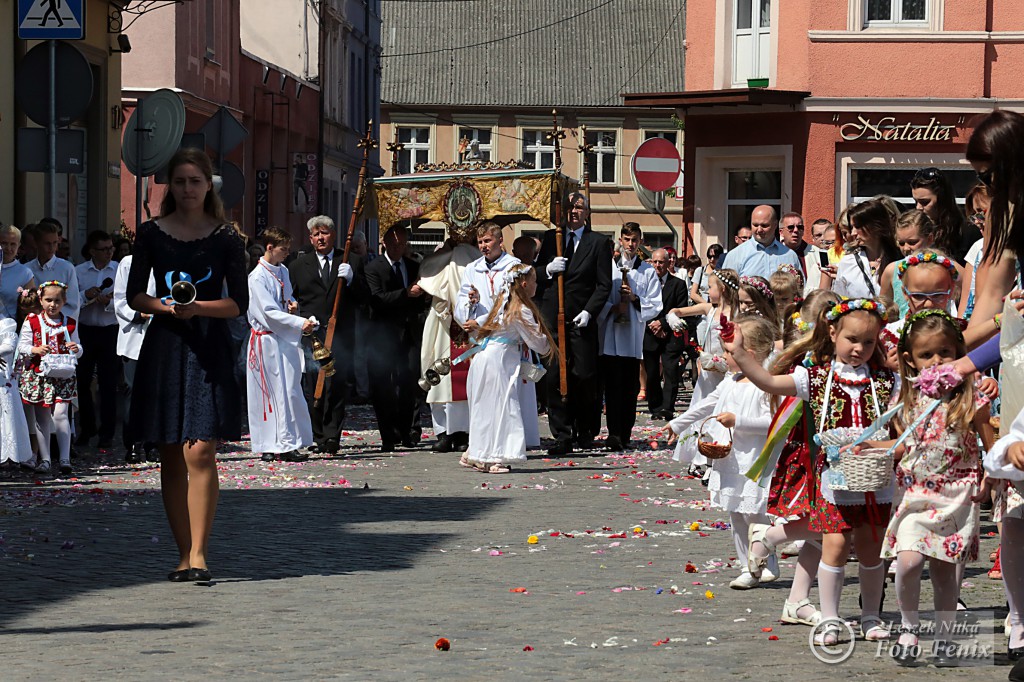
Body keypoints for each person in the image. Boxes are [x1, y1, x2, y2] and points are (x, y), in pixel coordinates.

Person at [725, 298, 895, 645]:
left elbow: (899, 421)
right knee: (834, 544)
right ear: (832, 333)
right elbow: (770, 382)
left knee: (871, 548)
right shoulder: (815, 377)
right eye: (851, 339)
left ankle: (871, 616)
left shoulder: (884, 380)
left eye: (868, 342)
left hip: (874, 479)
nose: (859, 349)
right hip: (834, 480)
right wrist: (740, 354)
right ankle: (830, 618)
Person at [126, 148, 248, 583]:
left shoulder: (227, 237)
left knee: (201, 449)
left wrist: (199, 309)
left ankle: (200, 553)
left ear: (208, 184)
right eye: (180, 181)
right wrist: (164, 307)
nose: (187, 189)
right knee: (170, 454)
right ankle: (182, 554)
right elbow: (134, 295)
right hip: (166, 346)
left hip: (209, 345)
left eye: (195, 181)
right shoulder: (151, 234)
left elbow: (238, 304)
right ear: (169, 186)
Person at [871, 311, 994, 666]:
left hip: (956, 494)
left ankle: (945, 636)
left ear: (960, 353)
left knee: (944, 572)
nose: (937, 361)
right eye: (927, 355)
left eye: (945, 352)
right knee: (907, 562)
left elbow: (989, 443)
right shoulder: (906, 398)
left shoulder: (972, 398)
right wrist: (867, 449)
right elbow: (904, 446)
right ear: (910, 358)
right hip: (916, 493)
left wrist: (990, 479)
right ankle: (909, 628)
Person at [666, 315, 781, 589]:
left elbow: (773, 422)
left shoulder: (765, 384)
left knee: (755, 512)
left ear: (748, 353)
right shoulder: (731, 380)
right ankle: (747, 566)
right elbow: (707, 404)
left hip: (755, 459)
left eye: (728, 352)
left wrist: (738, 421)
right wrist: (678, 423)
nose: (724, 357)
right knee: (735, 512)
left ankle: (765, 556)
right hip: (729, 458)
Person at [534, 192, 612, 455]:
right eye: (569, 207)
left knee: (583, 376)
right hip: (553, 318)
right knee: (555, 377)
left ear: (587, 213)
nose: (574, 212)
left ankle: (586, 429)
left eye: (579, 207)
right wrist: (547, 268)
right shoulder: (551, 239)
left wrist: (590, 311)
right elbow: (535, 277)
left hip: (581, 319)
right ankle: (562, 434)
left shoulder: (598, 242)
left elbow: (603, 285)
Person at [460, 264, 554, 473]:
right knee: (503, 406)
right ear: (524, 284)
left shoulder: (502, 303)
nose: (536, 285)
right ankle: (497, 457)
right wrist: (549, 345)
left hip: (484, 358)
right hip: (499, 361)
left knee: (484, 407)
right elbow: (536, 342)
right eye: (534, 281)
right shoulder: (521, 309)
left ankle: (477, 452)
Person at [287, 215, 357, 456]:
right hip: (312, 334)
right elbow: (291, 297)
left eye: (325, 232)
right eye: (316, 234)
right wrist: (299, 315)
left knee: (335, 385)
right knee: (313, 385)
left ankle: (332, 437)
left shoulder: (348, 260)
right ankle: (317, 434)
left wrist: (352, 279)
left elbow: (366, 297)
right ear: (310, 238)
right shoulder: (298, 265)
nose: (320, 237)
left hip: (340, 333)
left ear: (333, 234)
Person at [247, 227, 317, 463]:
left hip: (284, 338)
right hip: (266, 340)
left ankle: (290, 441)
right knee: (267, 394)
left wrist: (293, 306)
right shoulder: (256, 277)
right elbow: (267, 311)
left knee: (289, 390)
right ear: (270, 247)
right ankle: (268, 444)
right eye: (283, 249)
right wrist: (299, 322)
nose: (287, 253)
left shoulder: (283, 270)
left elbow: (286, 299)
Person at [597, 223, 662, 451]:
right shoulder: (610, 268)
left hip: (633, 338)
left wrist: (634, 299)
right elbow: (599, 295)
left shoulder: (647, 271)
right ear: (620, 240)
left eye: (635, 240)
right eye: (626, 239)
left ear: (640, 240)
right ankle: (613, 433)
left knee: (629, 389)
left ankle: (625, 433)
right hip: (611, 335)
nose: (631, 244)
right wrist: (611, 308)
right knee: (612, 388)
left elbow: (655, 304)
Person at [364, 225, 428, 452]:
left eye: (401, 244)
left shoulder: (412, 266)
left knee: (410, 382)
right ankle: (388, 435)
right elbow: (377, 298)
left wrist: (419, 296)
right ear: (384, 243)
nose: (397, 248)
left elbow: (421, 301)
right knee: (384, 386)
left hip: (409, 332)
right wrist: (405, 293)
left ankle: (409, 431)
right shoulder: (373, 268)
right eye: (393, 245)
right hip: (383, 334)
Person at [417, 226, 479, 453]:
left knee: (468, 378)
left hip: (469, 325)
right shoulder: (442, 256)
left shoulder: (477, 259)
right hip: (443, 322)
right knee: (439, 375)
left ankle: (464, 432)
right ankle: (443, 431)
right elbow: (429, 274)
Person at [18, 281, 83, 476]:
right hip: (40, 374)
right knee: (42, 417)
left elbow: (79, 347)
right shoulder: (33, 321)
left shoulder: (69, 322)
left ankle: (64, 458)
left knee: (61, 414)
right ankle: (45, 458)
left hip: (63, 374)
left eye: (57, 300)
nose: (52, 305)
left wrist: (76, 348)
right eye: (48, 300)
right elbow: (22, 345)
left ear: (64, 301)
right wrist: (34, 349)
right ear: (41, 300)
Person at [74, 230, 119, 449]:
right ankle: (87, 428)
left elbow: (125, 301)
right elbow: (72, 301)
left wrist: (108, 302)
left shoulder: (119, 270)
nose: (109, 253)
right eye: (104, 249)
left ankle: (107, 433)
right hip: (85, 331)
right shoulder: (79, 271)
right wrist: (86, 295)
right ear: (92, 251)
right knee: (82, 381)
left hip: (110, 331)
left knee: (109, 384)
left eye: (111, 248)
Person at [112, 247, 155, 464]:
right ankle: (132, 443)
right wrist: (137, 314)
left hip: (161, 336)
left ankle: (153, 443)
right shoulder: (129, 263)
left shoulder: (171, 260)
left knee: (156, 393)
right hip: (135, 337)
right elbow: (119, 299)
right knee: (133, 393)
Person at [644, 248, 690, 421]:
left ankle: (667, 408)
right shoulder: (646, 283)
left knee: (670, 372)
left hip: (670, 334)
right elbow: (642, 305)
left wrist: (662, 323)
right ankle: (655, 407)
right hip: (650, 332)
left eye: (661, 262)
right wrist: (652, 325)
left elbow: (681, 308)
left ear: (669, 263)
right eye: (654, 262)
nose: (657, 265)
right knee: (652, 372)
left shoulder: (678, 284)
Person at [832, 198, 901, 299]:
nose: (853, 233)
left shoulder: (899, 259)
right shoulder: (848, 262)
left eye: (858, 226)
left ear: (876, 225)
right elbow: (839, 301)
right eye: (852, 228)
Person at [911, 166, 980, 264]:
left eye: (925, 202)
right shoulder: (917, 230)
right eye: (915, 201)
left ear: (943, 199)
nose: (918, 207)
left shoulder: (968, 232)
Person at [879, 210, 940, 319]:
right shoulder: (892, 270)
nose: (906, 248)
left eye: (912, 242)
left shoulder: (943, 265)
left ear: (930, 239)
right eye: (901, 243)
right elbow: (883, 308)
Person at [720, 206, 803, 278]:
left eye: (764, 225)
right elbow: (725, 291)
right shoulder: (736, 255)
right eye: (755, 225)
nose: (759, 230)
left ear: (775, 225)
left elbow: (800, 290)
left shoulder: (789, 255)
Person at [0, 304, 32, 469]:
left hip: (2, 379)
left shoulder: (6, 323)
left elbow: (9, 346)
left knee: (5, 417)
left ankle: (8, 455)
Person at [27, 221, 80, 320]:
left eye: (54, 243)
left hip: (59, 327)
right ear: (36, 243)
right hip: (33, 326)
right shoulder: (26, 269)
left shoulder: (66, 268)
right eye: (47, 243)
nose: (51, 248)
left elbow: (73, 305)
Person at [959, 183, 993, 320]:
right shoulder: (978, 249)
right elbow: (965, 304)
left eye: (981, 213)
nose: (977, 222)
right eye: (974, 215)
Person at [0, 226, 35, 319]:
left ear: (19, 246)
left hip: (10, 329)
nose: (8, 248)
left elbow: (31, 307)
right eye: (4, 243)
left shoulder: (25, 273)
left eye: (13, 244)